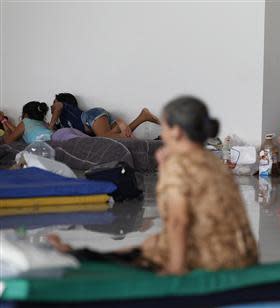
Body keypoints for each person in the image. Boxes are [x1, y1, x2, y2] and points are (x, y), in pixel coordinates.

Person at [49, 96, 258, 274]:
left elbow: (178, 222)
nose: (163, 133)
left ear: (176, 132)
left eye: (164, 127)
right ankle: (79, 254)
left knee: (152, 248)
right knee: (152, 243)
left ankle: (78, 258)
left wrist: (175, 272)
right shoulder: (214, 160)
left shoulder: (178, 165)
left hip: (211, 261)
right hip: (240, 255)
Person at [81, 107, 160, 138]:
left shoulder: (72, 115)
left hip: (92, 115)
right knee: (119, 139)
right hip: (99, 116)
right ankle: (143, 117)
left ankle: (120, 124)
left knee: (103, 138)